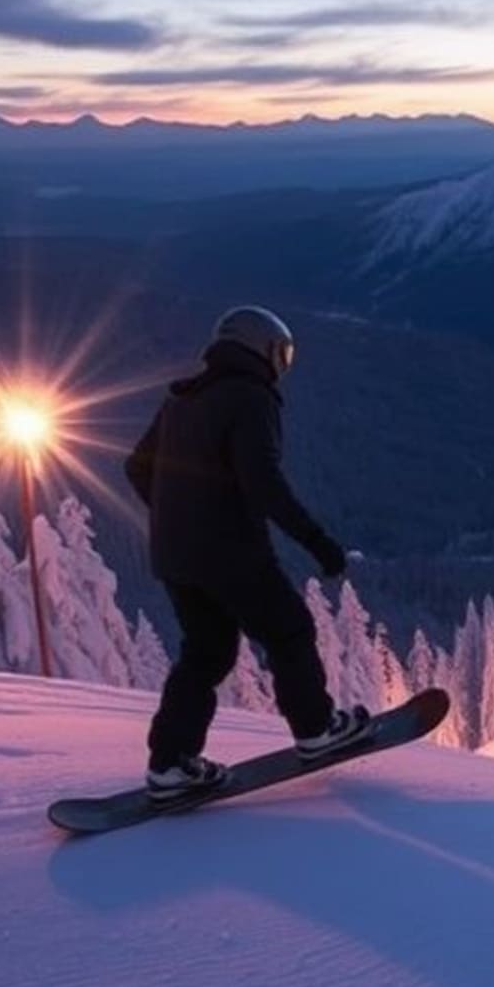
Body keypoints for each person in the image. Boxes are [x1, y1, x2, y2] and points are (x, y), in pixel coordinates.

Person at [124, 305, 369, 799]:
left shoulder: (184, 397)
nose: (283, 364)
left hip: (176, 556)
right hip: (231, 550)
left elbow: (137, 467)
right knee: (289, 630)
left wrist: (180, 517)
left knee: (206, 654)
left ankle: (170, 765)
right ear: (262, 348)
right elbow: (263, 483)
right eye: (282, 353)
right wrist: (320, 544)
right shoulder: (250, 397)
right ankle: (316, 730)